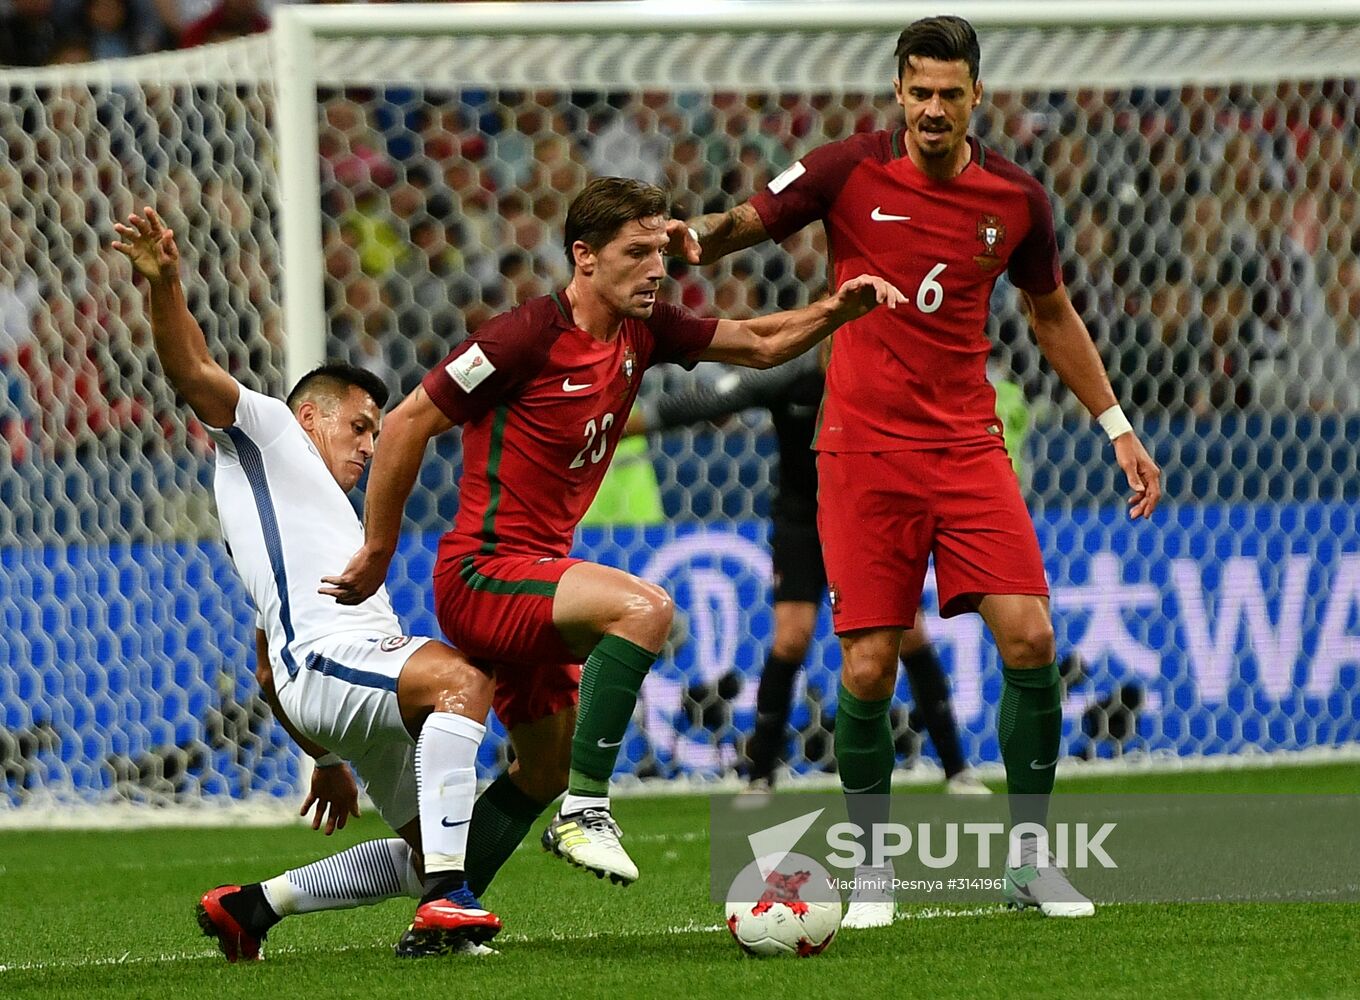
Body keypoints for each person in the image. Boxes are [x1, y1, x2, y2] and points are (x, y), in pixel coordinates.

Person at [668, 15, 1161, 925]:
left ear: (978, 95)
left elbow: (1052, 315)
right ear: (898, 92)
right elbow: (748, 220)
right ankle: (871, 872)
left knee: (1032, 640)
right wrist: (687, 243)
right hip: (861, 452)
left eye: (950, 93)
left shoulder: (1015, 198)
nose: (933, 109)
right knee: (864, 669)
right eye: (919, 92)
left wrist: (1116, 424)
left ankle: (1028, 861)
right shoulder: (846, 169)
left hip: (968, 447)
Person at [321, 176, 903, 887]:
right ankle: (586, 812)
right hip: (482, 574)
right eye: (637, 252)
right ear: (584, 257)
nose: (657, 268)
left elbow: (756, 343)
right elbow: (410, 419)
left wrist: (834, 311)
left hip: (537, 581)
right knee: (645, 608)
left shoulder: (644, 331)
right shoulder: (523, 337)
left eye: (661, 250)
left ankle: (427, 906)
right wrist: (380, 547)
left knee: (542, 767)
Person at [113, 207, 527, 960]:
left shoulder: (305, 519)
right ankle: (446, 910)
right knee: (462, 682)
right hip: (339, 663)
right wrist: (166, 283)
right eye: (359, 427)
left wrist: (330, 760)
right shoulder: (269, 433)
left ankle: (253, 908)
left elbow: (268, 665)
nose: (370, 445)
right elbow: (193, 374)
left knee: (432, 847)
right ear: (310, 416)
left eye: (375, 432)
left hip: (333, 677)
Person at [624, 351, 990, 795]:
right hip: (802, 524)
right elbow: (708, 403)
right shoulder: (791, 379)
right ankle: (760, 777)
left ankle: (957, 770)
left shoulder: (878, 383)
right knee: (791, 637)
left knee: (910, 632)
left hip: (865, 524)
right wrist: (627, 424)